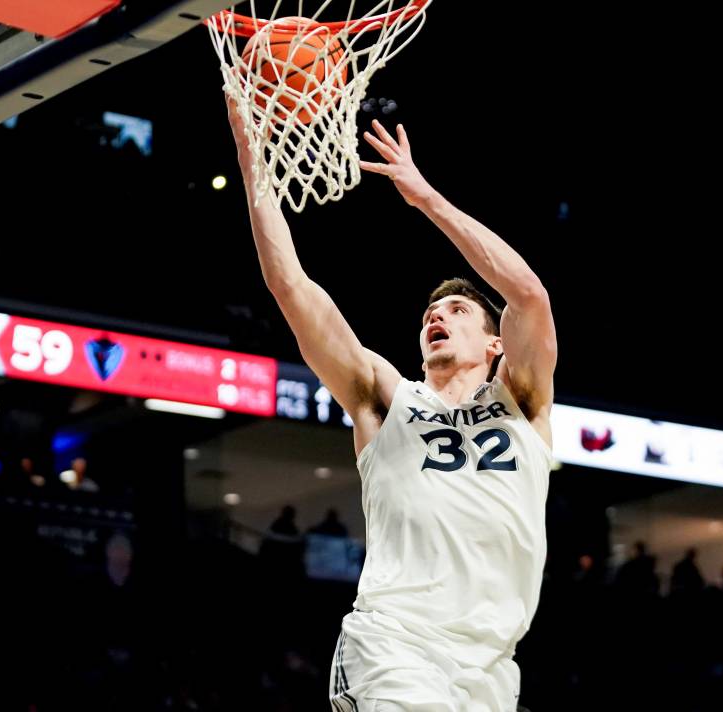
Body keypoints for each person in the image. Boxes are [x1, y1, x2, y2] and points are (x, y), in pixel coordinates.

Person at [227, 99, 557, 711]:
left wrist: (426, 197)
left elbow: (529, 295)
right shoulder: (388, 399)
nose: (437, 315)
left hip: (490, 666)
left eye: (458, 311)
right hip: (395, 645)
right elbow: (292, 287)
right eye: (432, 312)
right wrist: (254, 158)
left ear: (495, 343)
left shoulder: (524, 402)